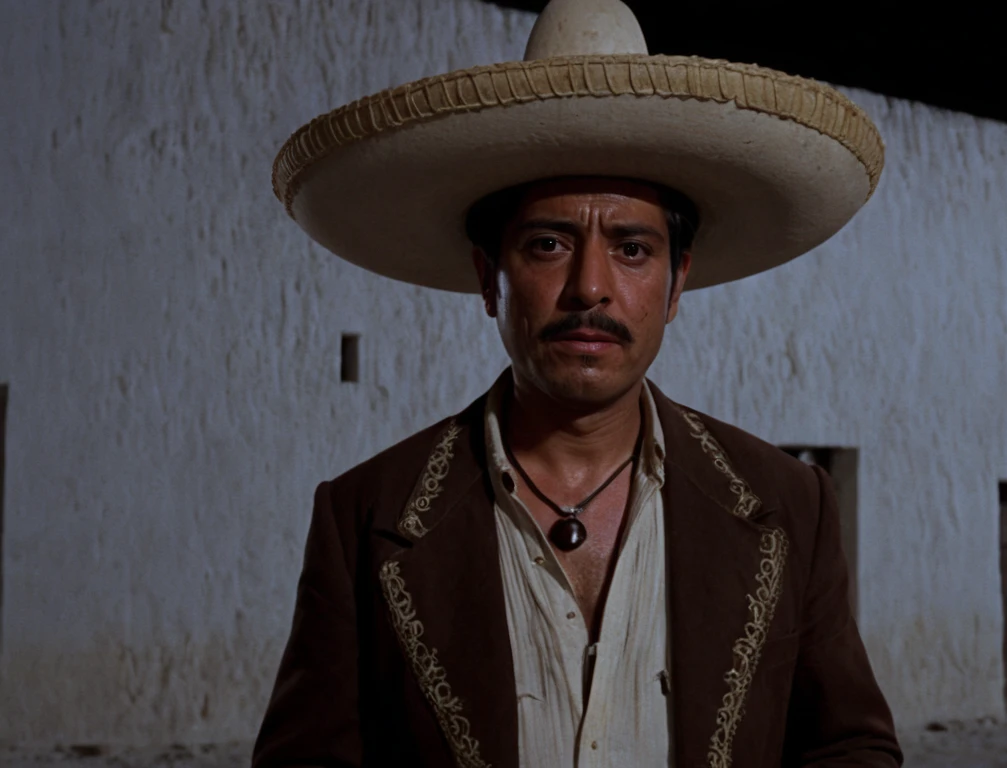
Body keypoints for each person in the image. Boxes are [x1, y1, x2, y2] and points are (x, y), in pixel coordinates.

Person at [254, 0, 901, 765]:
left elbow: (850, 747)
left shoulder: (789, 507)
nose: (590, 287)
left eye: (631, 248)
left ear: (676, 281)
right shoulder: (366, 519)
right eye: (549, 243)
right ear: (489, 277)